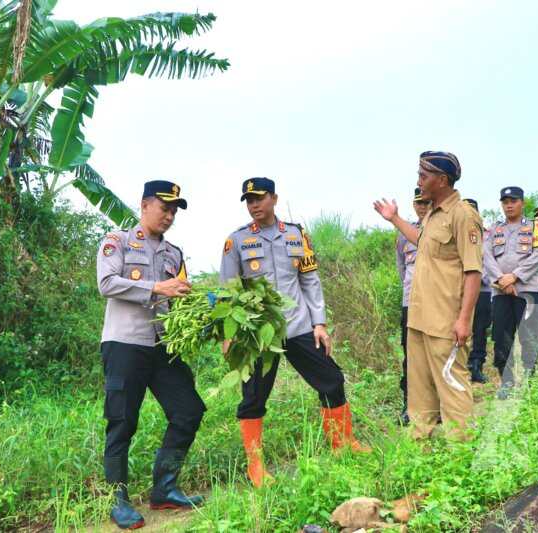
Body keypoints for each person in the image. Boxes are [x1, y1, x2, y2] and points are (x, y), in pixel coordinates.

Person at [219, 177, 369, 489]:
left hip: (299, 325)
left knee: (332, 380)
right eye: (248, 200)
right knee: (254, 397)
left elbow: (310, 280)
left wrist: (320, 323)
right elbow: (228, 291)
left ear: (274, 198)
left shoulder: (296, 234)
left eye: (259, 198)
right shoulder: (237, 241)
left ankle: (343, 444)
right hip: (259, 333)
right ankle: (255, 467)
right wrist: (228, 335)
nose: (254, 205)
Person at [97, 180, 205, 529]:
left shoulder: (174, 253)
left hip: (161, 346)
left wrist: (203, 308)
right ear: (144, 206)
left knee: (188, 409)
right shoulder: (119, 242)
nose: (170, 215)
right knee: (122, 421)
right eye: (165, 207)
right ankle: (118, 500)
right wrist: (156, 286)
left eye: (174, 210)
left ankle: (165, 488)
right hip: (124, 344)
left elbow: (178, 298)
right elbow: (107, 284)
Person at [374, 151, 483, 441]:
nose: (419, 181)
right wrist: (395, 218)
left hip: (446, 321)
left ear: (442, 180)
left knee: (452, 386)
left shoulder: (462, 215)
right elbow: (420, 241)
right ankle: (420, 449)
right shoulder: (433, 214)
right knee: (419, 389)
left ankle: (461, 450)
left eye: (424, 176)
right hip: (420, 318)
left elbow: (473, 272)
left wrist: (464, 320)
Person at [482, 187, 538, 398]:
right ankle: (506, 382)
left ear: (522, 203)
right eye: (505, 201)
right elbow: (486, 256)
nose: (509, 205)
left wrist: (515, 276)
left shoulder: (535, 227)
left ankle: (532, 382)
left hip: (528, 290)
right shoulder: (493, 229)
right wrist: (502, 280)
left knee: (530, 337)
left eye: (513, 201)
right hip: (501, 291)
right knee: (501, 337)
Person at [395, 188, 431, 424]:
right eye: (418, 203)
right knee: (411, 355)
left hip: (437, 302)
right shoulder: (403, 234)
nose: (422, 206)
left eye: (426, 202)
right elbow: (402, 268)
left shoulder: (442, 227)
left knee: (435, 353)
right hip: (411, 301)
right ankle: (410, 405)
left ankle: (436, 407)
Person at [463, 199, 491, 384]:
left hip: (483, 289)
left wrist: (480, 277)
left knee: (480, 329)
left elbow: (492, 260)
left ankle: (476, 365)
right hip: (460, 290)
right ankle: (461, 365)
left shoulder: (488, 235)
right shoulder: (456, 232)